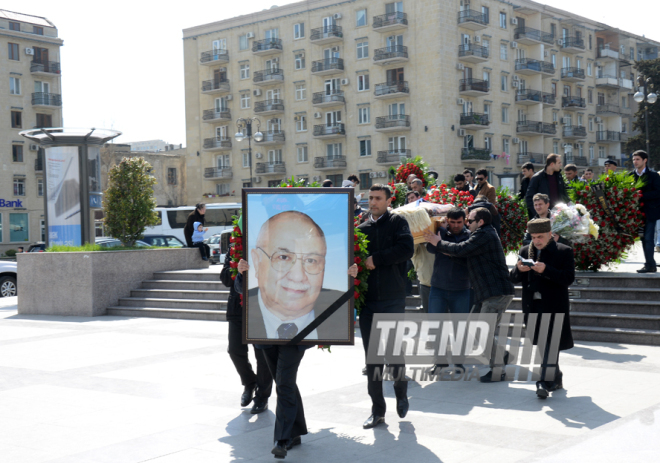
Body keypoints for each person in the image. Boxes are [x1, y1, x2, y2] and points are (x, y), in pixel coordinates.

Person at [236, 237, 358, 459]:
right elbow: (239, 288)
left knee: (283, 382)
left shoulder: (324, 292)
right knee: (285, 382)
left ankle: (281, 439)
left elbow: (341, 302)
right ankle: (296, 430)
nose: (296, 273)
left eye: (310, 261)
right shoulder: (256, 274)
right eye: (283, 258)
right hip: (265, 335)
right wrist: (241, 272)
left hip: (300, 335)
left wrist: (348, 277)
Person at [424, 207, 514, 383]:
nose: (466, 223)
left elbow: (460, 250)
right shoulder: (482, 234)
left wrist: (439, 241)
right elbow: (461, 256)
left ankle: (498, 370)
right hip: (487, 293)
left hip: (496, 292)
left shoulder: (484, 234)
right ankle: (501, 355)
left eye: (469, 220)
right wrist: (441, 241)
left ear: (480, 222)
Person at [357, 184, 414, 429]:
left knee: (393, 356)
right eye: (370, 198)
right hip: (369, 301)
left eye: (378, 198)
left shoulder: (398, 222)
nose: (373, 202)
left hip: (392, 297)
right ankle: (377, 411)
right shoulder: (361, 228)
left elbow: (406, 249)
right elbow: (355, 258)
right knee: (372, 360)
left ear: (389, 200)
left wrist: (375, 259)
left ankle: (401, 392)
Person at [246, 211, 351, 340]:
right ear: (257, 262)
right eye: (283, 257)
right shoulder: (242, 307)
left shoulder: (340, 308)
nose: (298, 276)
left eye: (311, 260)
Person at [510, 218, 575, 399]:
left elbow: (568, 278)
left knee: (550, 345)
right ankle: (556, 377)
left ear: (549, 234)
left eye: (540, 236)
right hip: (533, 306)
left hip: (554, 306)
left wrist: (546, 270)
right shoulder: (525, 251)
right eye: (533, 237)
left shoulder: (564, 251)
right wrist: (519, 270)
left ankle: (543, 382)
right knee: (543, 346)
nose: (537, 240)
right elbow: (513, 278)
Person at [220, 239, 273, 415]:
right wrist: (237, 271)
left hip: (261, 307)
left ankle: (262, 397)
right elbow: (225, 277)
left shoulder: (268, 242)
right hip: (237, 307)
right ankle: (250, 383)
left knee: (262, 355)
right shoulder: (234, 246)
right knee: (235, 350)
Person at [426, 207, 470, 315]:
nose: (455, 225)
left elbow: (463, 254)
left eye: (459, 222)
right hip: (438, 287)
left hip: (461, 289)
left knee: (460, 328)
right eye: (452, 222)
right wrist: (442, 231)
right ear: (447, 220)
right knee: (435, 327)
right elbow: (430, 249)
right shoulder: (441, 233)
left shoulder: (469, 236)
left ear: (465, 220)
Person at [630, 150, 660, 273]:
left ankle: (650, 264)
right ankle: (650, 264)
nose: (635, 162)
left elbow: (658, 192)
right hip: (636, 213)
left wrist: (641, 196)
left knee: (648, 238)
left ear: (645, 160)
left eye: (637, 159)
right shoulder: (630, 175)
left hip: (650, 212)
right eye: (633, 160)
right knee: (643, 239)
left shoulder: (653, 175)